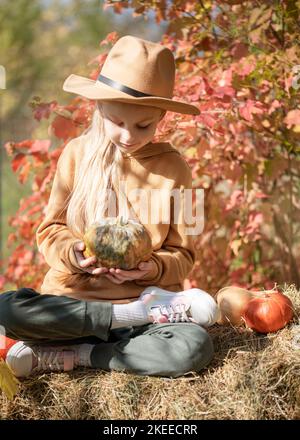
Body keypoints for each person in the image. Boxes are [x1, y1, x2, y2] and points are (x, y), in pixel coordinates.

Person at [0, 35, 220, 379]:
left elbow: (185, 256)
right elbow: (49, 231)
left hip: (147, 312)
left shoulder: (178, 169)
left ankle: (85, 355)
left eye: (143, 125)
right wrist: (74, 254)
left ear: (161, 115)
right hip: (74, 307)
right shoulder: (75, 154)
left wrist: (151, 269)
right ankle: (113, 328)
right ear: (99, 108)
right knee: (7, 310)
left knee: (193, 346)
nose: (129, 136)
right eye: (117, 122)